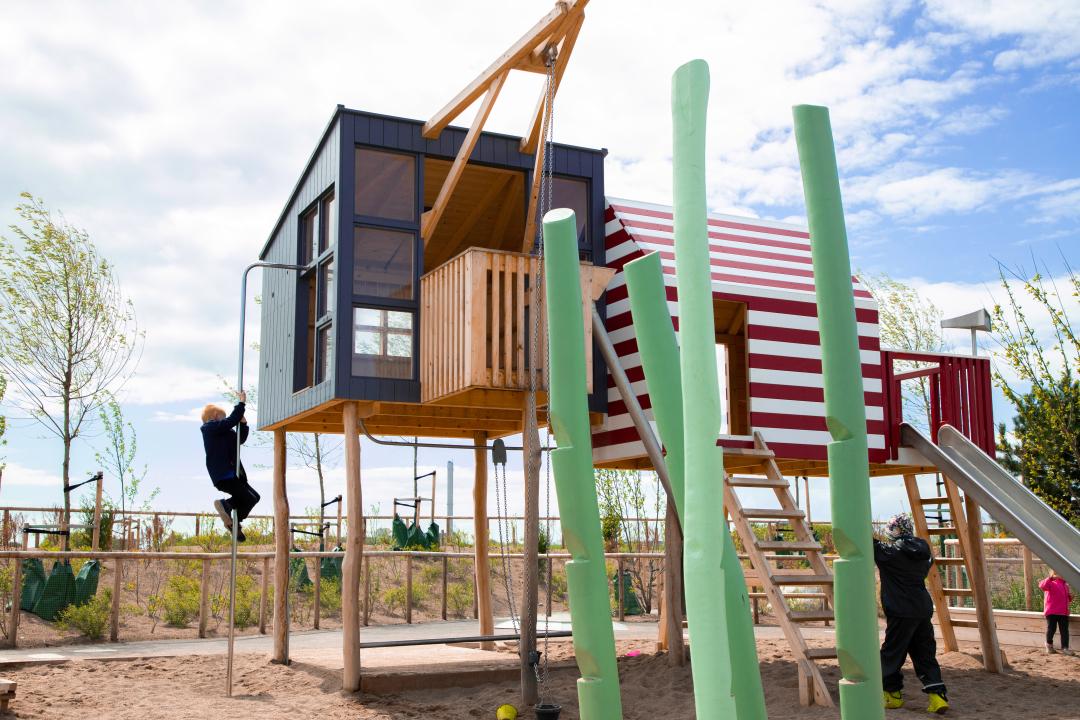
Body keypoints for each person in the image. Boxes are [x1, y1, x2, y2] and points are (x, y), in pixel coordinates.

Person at [874, 513, 949, 714]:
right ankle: (937, 696)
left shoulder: (889, 553)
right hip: (922, 608)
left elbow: (868, 544)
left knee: (892, 653)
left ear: (894, 531)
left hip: (900, 609)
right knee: (924, 653)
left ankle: (892, 695)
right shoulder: (924, 552)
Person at [200, 391, 259, 542]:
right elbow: (230, 421)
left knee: (254, 497)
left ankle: (233, 520)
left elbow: (240, 440)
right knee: (246, 497)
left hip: (233, 474)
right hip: (223, 474)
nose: (226, 420)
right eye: (223, 417)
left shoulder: (225, 431)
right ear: (214, 416)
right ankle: (223, 504)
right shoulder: (209, 428)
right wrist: (241, 404)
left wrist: (244, 424)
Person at [1039, 570, 1073, 655]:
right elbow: (1042, 586)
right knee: (1051, 629)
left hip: (1063, 612)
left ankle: (1065, 648)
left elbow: (1065, 599)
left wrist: (1070, 597)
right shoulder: (1050, 583)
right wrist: (1050, 578)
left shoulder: (1065, 585)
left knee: (1064, 631)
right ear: (1054, 574)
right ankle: (1049, 645)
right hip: (1052, 611)